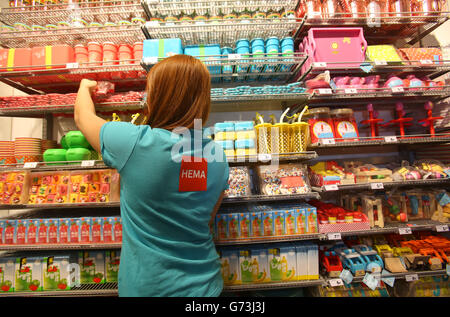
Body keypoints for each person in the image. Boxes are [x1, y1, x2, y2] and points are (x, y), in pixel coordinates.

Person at [74, 54, 229, 297]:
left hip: (147, 289)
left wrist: (85, 86)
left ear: (157, 96)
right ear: (202, 99)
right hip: (205, 287)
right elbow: (206, 218)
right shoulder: (216, 155)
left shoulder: (132, 142)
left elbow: (83, 118)